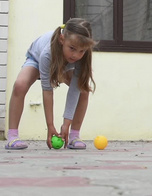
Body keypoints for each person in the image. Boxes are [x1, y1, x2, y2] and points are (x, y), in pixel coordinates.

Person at [5, 18, 96, 150]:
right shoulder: (47, 53)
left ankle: (74, 136)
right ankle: (12, 136)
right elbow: (47, 90)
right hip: (36, 60)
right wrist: (50, 126)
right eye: (72, 48)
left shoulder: (81, 57)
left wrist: (66, 124)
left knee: (83, 89)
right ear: (62, 39)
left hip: (64, 65)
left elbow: (74, 91)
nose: (76, 55)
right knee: (20, 85)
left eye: (81, 51)